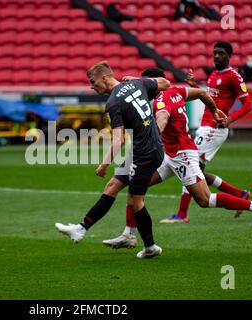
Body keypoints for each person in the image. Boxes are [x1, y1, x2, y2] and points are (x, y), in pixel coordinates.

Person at [102, 68, 252, 249]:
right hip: (169, 154)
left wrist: (152, 136)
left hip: (182, 155)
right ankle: (129, 234)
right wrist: (214, 110)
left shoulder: (161, 100)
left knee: (204, 200)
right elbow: (202, 92)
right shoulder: (176, 91)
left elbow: (162, 119)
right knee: (137, 187)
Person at [55, 61, 170, 259]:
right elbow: (165, 83)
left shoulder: (114, 102)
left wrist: (104, 163)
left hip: (147, 152)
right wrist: (140, 80)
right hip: (141, 149)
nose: (92, 86)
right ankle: (80, 229)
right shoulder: (138, 84)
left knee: (136, 200)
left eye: (93, 82)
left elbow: (118, 138)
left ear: (105, 78)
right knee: (112, 187)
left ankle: (150, 247)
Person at [161, 41, 252, 224]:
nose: (217, 57)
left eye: (220, 53)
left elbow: (248, 104)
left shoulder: (234, 76)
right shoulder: (213, 75)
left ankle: (182, 214)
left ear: (229, 56)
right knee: (198, 172)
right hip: (206, 126)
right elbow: (212, 98)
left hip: (214, 128)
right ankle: (240, 194)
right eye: (215, 53)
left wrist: (229, 120)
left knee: (191, 167)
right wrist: (194, 85)